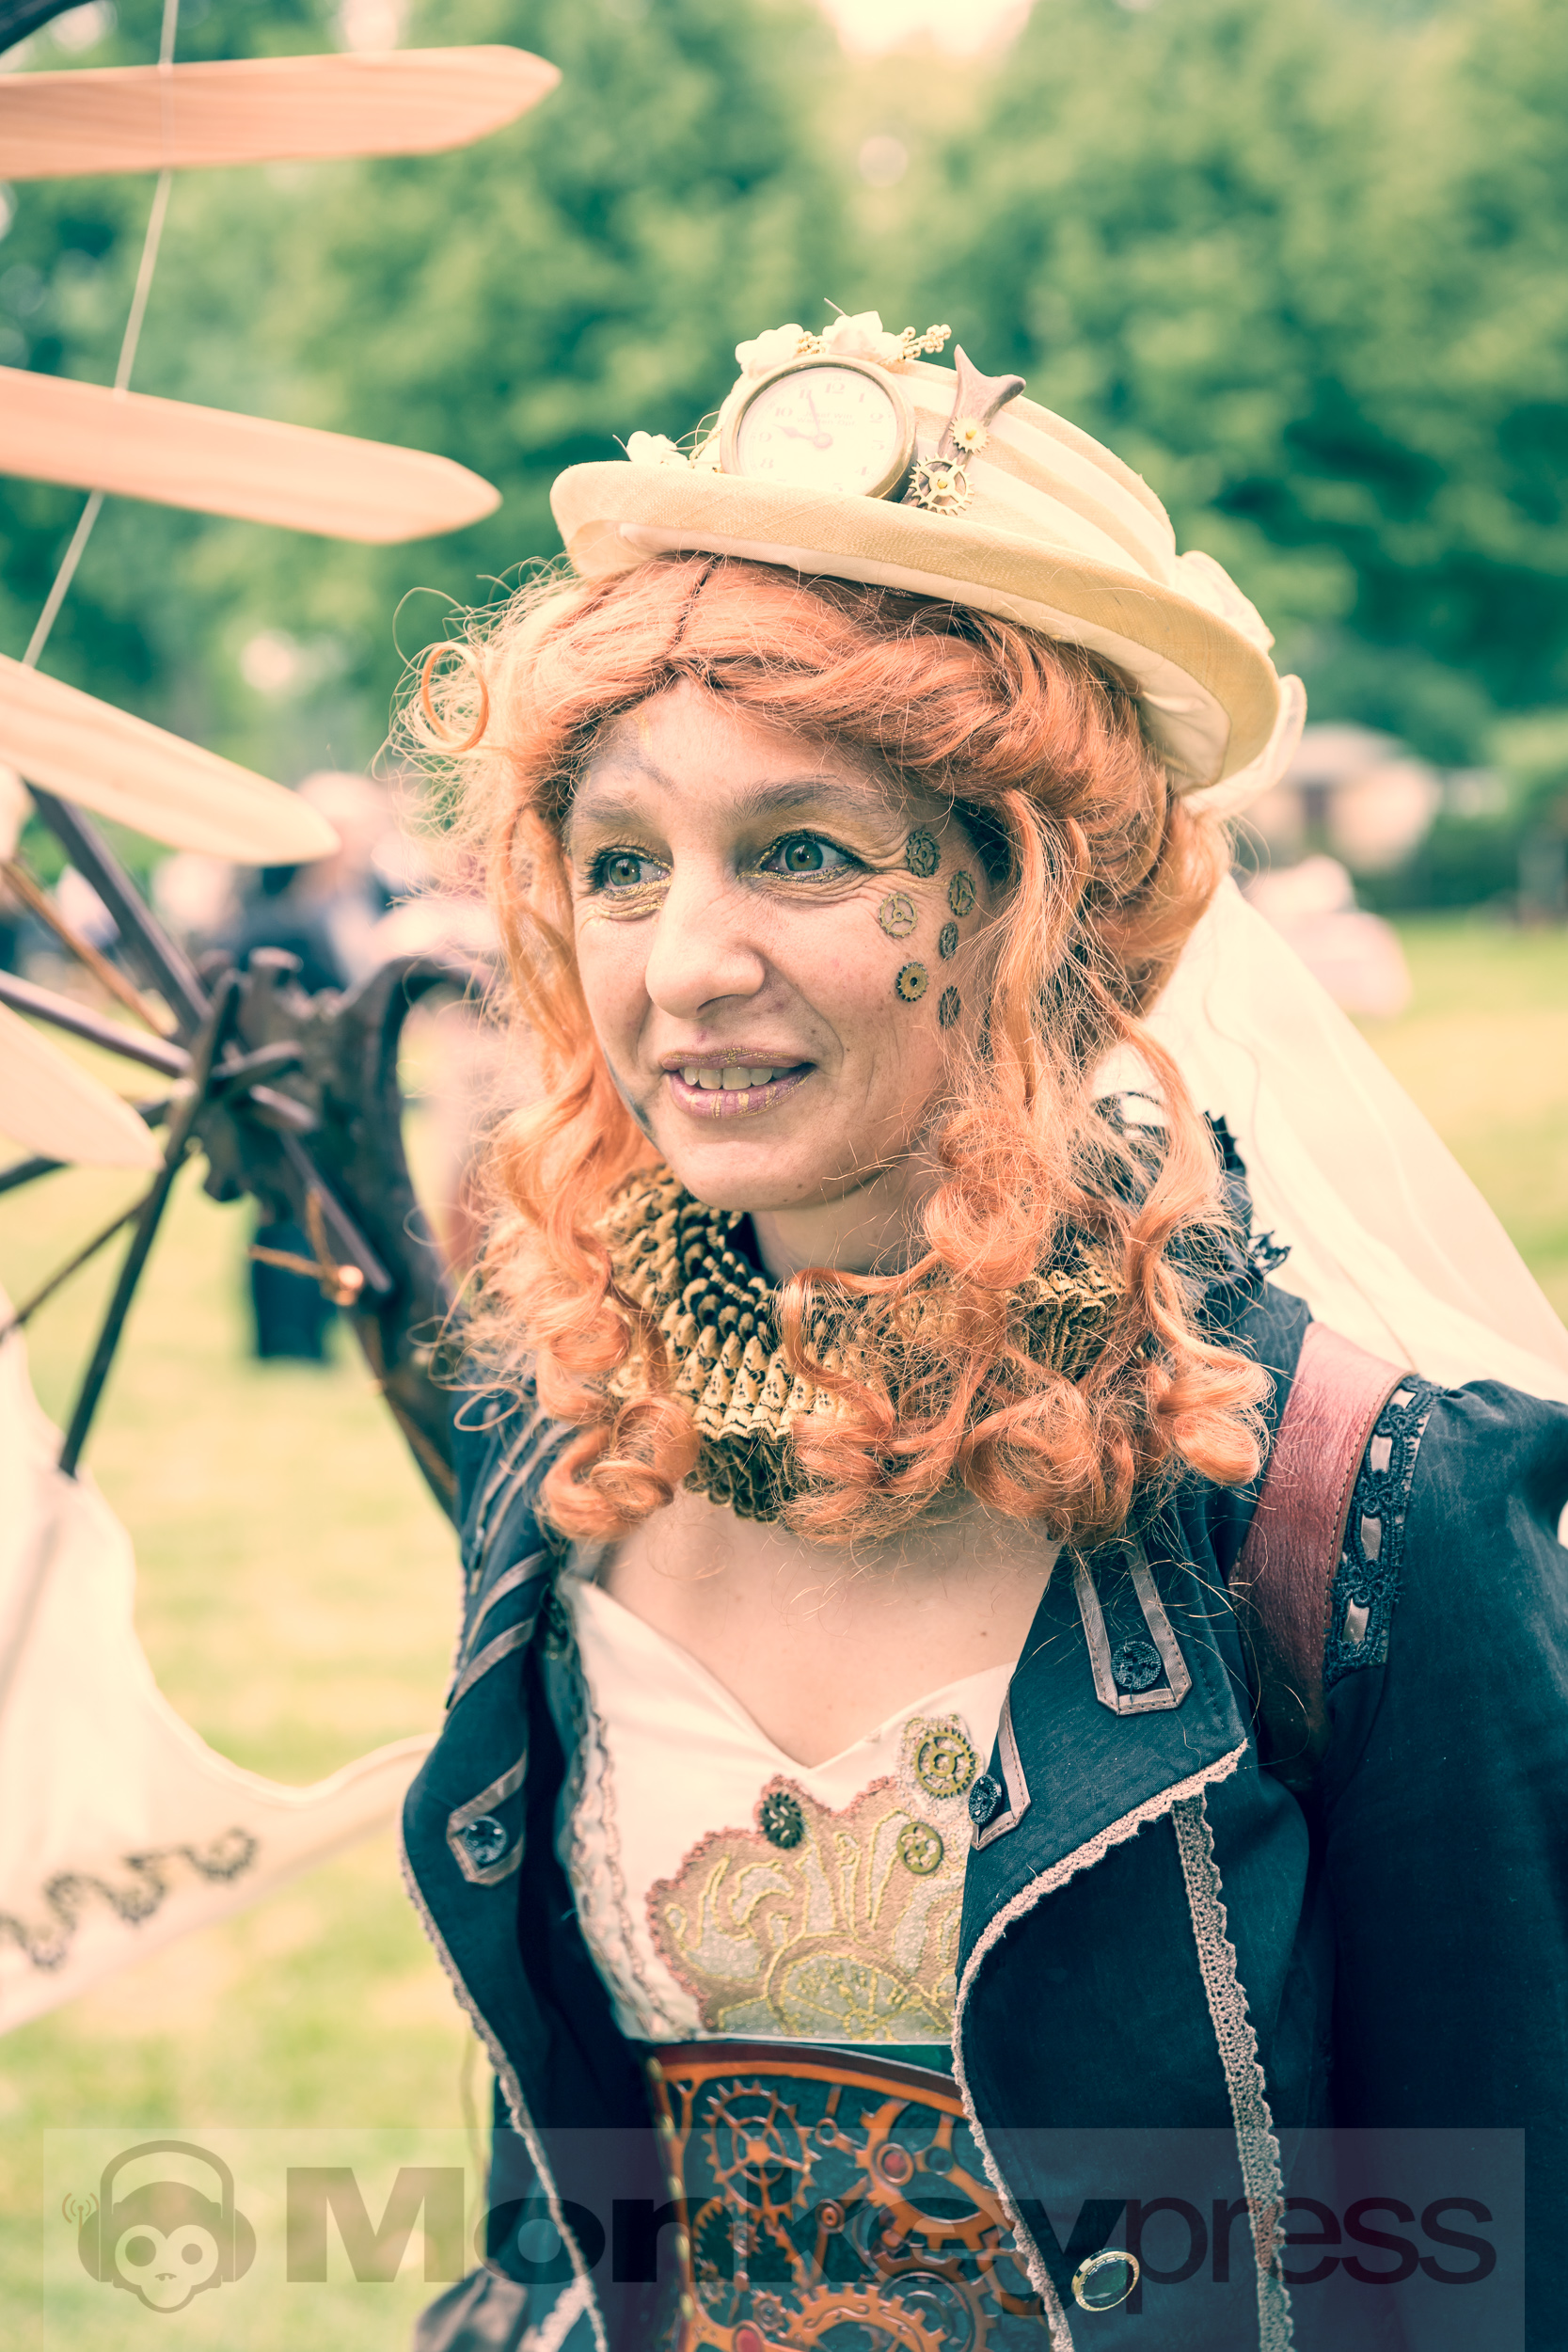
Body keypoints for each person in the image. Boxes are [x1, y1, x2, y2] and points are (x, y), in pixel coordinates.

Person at [397, 315, 1568, 2352]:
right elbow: (558, 2198)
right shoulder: (571, 1441)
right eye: (617, 862)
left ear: (1045, 901)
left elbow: (1512, 2254)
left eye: (806, 849)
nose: (685, 964)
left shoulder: (1354, 1514)